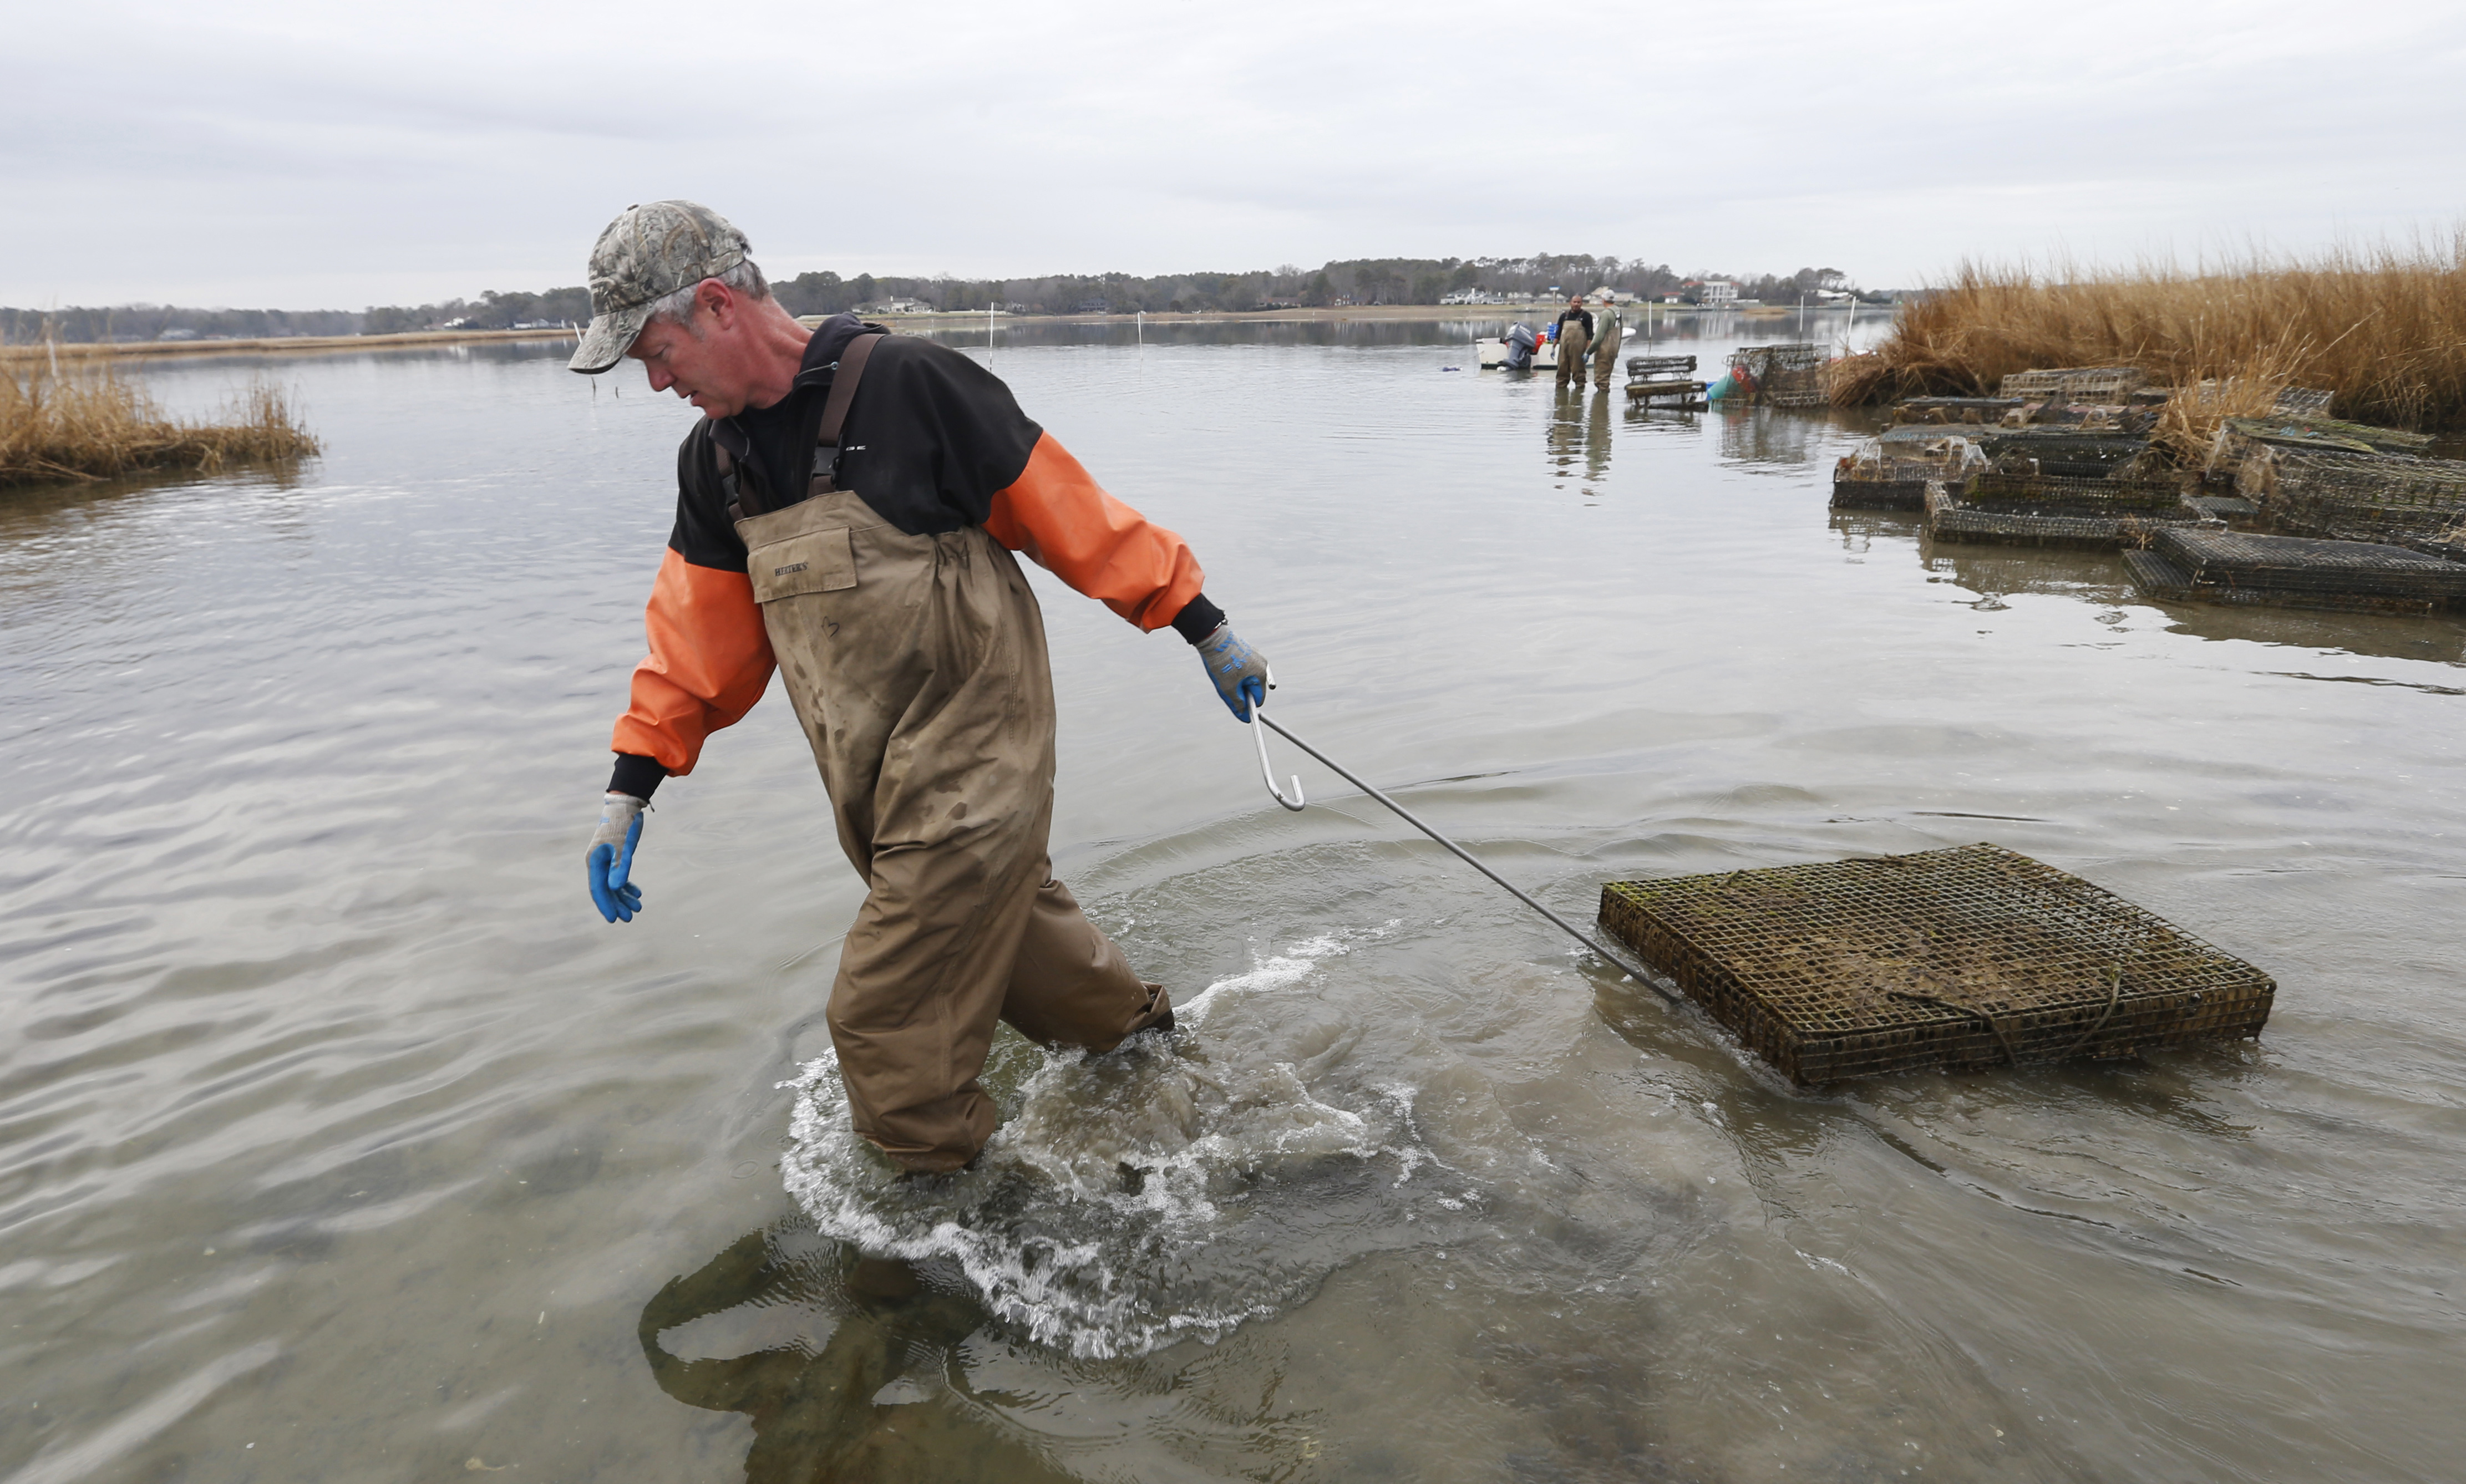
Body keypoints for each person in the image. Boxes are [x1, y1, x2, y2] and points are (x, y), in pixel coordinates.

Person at [571, 201, 1271, 1174]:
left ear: (718, 307)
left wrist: (1203, 625)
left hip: (981, 762)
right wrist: (630, 787)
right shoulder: (717, 464)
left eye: (656, 351)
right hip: (880, 788)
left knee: (885, 1021)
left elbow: (1069, 516)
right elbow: (697, 648)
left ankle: (935, 1259)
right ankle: (1155, 1066)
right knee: (1028, 959)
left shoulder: (910, 386)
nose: (656, 382)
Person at [1552, 296, 1593, 390]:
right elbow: (1558, 333)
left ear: (1582, 304)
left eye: (1579, 302)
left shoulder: (1586, 316)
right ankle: (1561, 393)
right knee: (1562, 371)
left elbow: (1590, 335)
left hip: (1579, 350)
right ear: (1570, 303)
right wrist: (1553, 347)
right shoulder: (1564, 316)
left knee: (1579, 373)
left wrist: (1587, 351)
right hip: (1564, 349)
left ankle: (1579, 395)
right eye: (1574, 302)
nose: (1576, 304)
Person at [1589, 296, 1624, 389]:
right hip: (1614, 348)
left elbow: (1599, 337)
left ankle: (1601, 401)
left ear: (1604, 300)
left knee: (1601, 380)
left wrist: (1589, 352)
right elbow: (1621, 331)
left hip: (1604, 350)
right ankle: (1604, 401)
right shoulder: (1618, 311)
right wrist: (1617, 350)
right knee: (1607, 377)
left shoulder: (1606, 314)